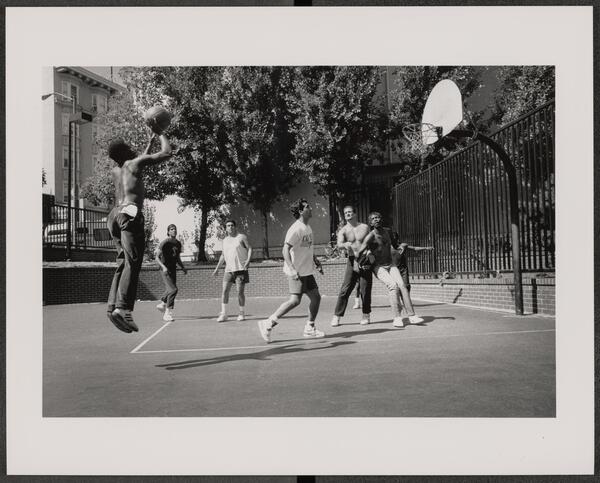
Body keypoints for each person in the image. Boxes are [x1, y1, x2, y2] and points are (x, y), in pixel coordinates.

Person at [105, 125, 172, 333]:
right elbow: (167, 153)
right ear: (124, 152)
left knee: (122, 263)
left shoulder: (117, 171)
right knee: (133, 263)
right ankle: (123, 308)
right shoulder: (135, 163)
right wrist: (160, 132)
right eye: (127, 147)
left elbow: (137, 162)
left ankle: (112, 307)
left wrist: (148, 143)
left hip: (114, 215)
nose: (131, 148)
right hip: (131, 213)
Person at [257, 198, 325, 343]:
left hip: (307, 271)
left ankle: (309, 328)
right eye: (308, 207)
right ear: (301, 211)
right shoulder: (296, 228)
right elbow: (285, 250)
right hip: (297, 272)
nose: (311, 208)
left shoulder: (308, 227)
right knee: (295, 300)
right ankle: (268, 322)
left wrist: (315, 260)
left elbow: (306, 248)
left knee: (316, 297)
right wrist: (293, 269)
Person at [357, 212, 424, 328]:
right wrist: (362, 261)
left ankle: (412, 316)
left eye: (378, 217)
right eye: (373, 219)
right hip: (378, 266)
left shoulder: (388, 232)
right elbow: (359, 250)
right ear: (370, 223)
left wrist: (401, 247)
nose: (376, 220)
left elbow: (395, 244)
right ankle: (397, 318)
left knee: (402, 285)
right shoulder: (370, 236)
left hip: (391, 264)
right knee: (393, 286)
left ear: (381, 219)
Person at [330, 205, 372, 327]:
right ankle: (337, 316)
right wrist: (345, 245)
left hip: (364, 259)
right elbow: (339, 243)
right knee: (345, 289)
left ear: (355, 213)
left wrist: (369, 252)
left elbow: (370, 241)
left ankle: (366, 315)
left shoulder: (364, 227)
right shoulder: (343, 230)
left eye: (349, 212)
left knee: (365, 289)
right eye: (345, 213)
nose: (347, 214)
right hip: (352, 259)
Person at [212, 220, 252, 322]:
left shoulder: (241, 237)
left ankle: (241, 313)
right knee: (225, 291)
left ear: (235, 227)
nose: (230, 227)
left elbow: (250, 248)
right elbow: (223, 256)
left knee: (240, 292)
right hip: (228, 270)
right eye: (228, 226)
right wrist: (217, 269)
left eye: (232, 225)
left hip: (240, 269)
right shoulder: (224, 240)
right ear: (226, 228)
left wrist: (248, 261)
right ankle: (224, 314)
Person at [155, 224, 187, 322]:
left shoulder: (178, 243)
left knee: (170, 289)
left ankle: (162, 303)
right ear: (168, 231)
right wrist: (163, 267)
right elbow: (156, 257)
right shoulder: (165, 242)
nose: (174, 231)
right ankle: (167, 313)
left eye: (175, 229)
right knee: (174, 290)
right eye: (172, 229)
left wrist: (182, 267)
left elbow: (177, 258)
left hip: (173, 269)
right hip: (164, 269)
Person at [393, 241, 434, 317]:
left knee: (406, 287)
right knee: (396, 290)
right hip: (394, 270)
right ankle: (399, 308)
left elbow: (414, 248)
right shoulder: (387, 247)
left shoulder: (403, 246)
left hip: (403, 271)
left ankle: (407, 306)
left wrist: (425, 248)